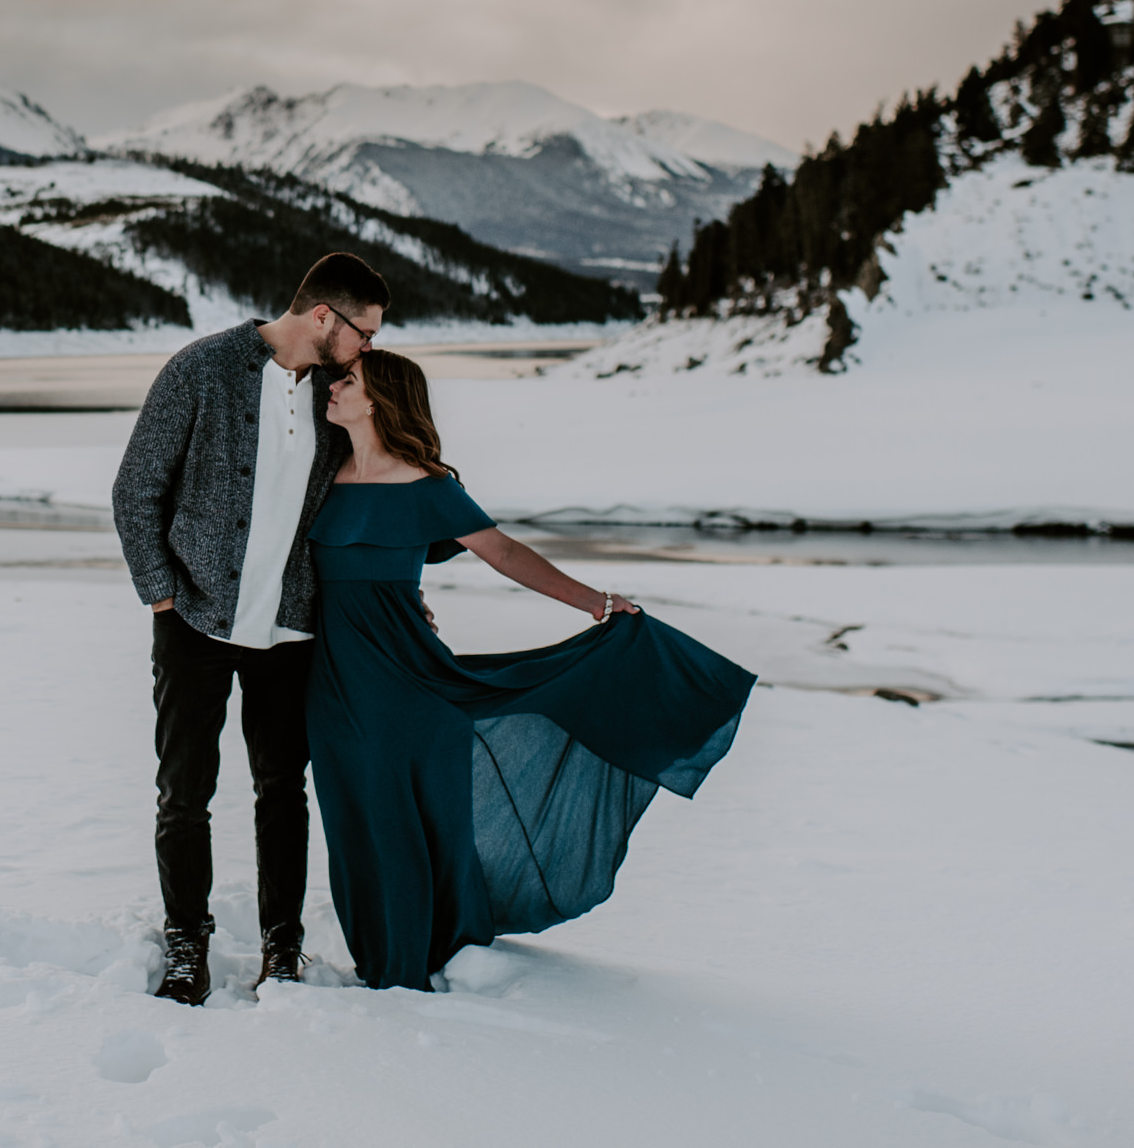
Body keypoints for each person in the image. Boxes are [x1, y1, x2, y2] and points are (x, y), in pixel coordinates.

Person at [307, 348, 756, 991]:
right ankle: (381, 950)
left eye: (346, 380)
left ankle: (401, 966)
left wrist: (597, 602)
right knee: (350, 815)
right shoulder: (322, 475)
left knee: (396, 818)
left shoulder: (428, 485)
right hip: (329, 682)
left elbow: (505, 554)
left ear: (378, 396)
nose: (333, 388)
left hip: (403, 681)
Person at [112, 252, 390, 1006]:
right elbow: (136, 488)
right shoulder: (201, 369)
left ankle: (282, 944)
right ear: (324, 317)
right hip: (194, 619)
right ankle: (185, 942)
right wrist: (163, 596)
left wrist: (397, 586)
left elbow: (373, 490)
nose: (369, 347)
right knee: (184, 791)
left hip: (290, 628)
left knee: (282, 791)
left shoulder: (341, 395)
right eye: (363, 330)